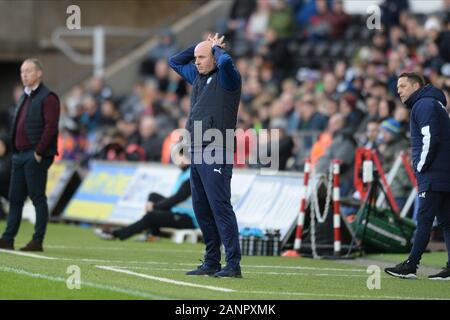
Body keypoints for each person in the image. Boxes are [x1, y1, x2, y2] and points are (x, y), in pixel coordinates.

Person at [168, 33, 242, 278]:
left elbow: (227, 62)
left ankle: (233, 264)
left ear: (214, 57)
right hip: (196, 151)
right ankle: (211, 261)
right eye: (196, 57)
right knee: (201, 208)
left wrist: (216, 48)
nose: (196, 61)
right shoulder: (198, 77)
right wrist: (201, 46)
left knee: (220, 207)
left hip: (217, 149)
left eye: (202, 57)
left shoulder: (228, 78)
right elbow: (175, 61)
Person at [385, 72, 450, 280]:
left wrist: (420, 167)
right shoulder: (433, 104)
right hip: (443, 173)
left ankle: (411, 266)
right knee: (446, 221)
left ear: (415, 86)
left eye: (403, 86)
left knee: (424, 219)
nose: (399, 91)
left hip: (433, 174)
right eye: (397, 88)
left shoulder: (424, 105)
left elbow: (431, 138)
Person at [0, 58, 60, 252]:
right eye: (21, 71)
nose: (24, 75)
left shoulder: (48, 97)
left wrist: (39, 152)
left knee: (37, 198)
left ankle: (37, 241)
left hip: (34, 155)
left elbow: (51, 127)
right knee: (15, 199)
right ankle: (8, 238)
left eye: (28, 71)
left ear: (39, 73)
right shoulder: (24, 96)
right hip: (19, 155)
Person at [94, 151, 197, 240]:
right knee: (153, 196)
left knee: (151, 216)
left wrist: (155, 207)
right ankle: (153, 234)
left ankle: (116, 234)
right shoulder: (185, 173)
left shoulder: (190, 175)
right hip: (179, 212)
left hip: (189, 218)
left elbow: (177, 199)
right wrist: (154, 206)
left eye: (181, 155)